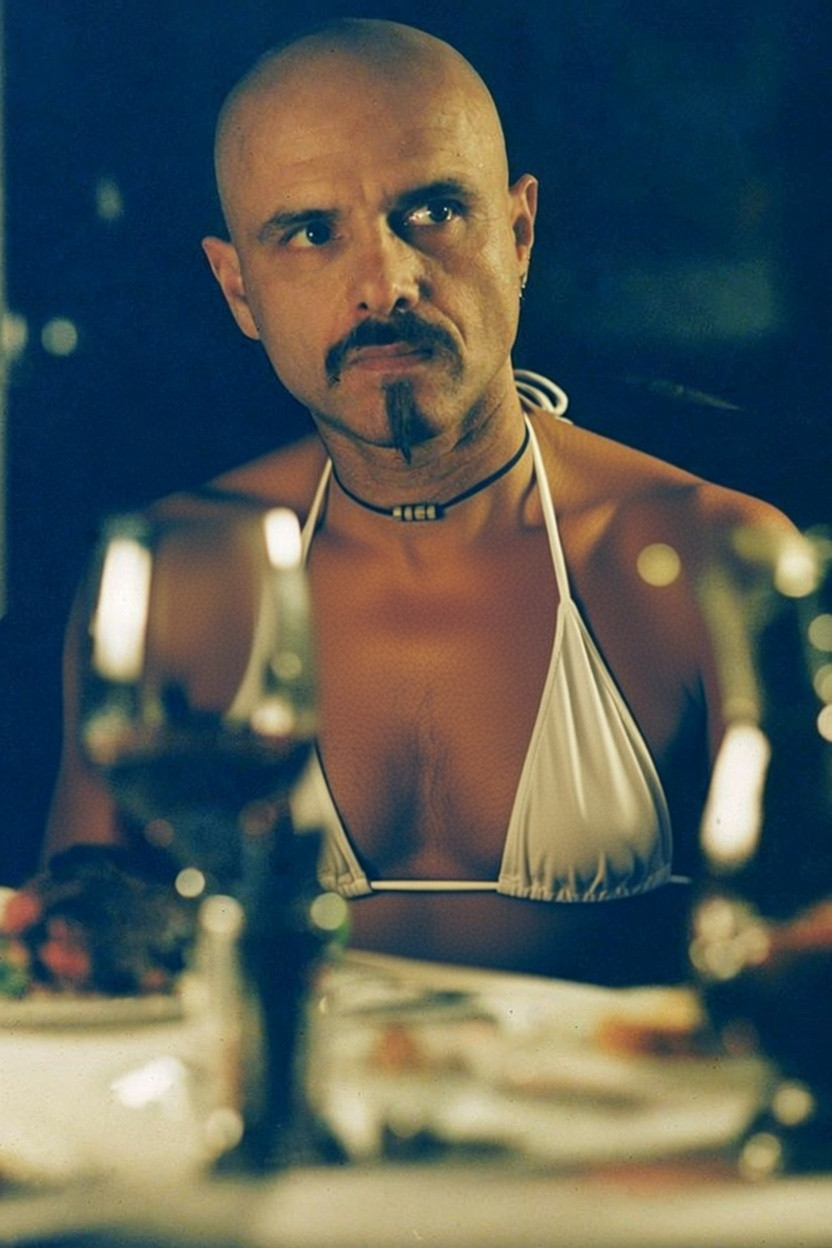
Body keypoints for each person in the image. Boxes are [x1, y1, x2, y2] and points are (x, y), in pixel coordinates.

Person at [42, 18, 793, 985]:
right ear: (238, 289)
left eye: (433, 212)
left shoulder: (710, 557)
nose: (385, 284)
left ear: (517, 235)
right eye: (312, 233)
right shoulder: (168, 580)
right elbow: (69, 959)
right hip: (273, 1088)